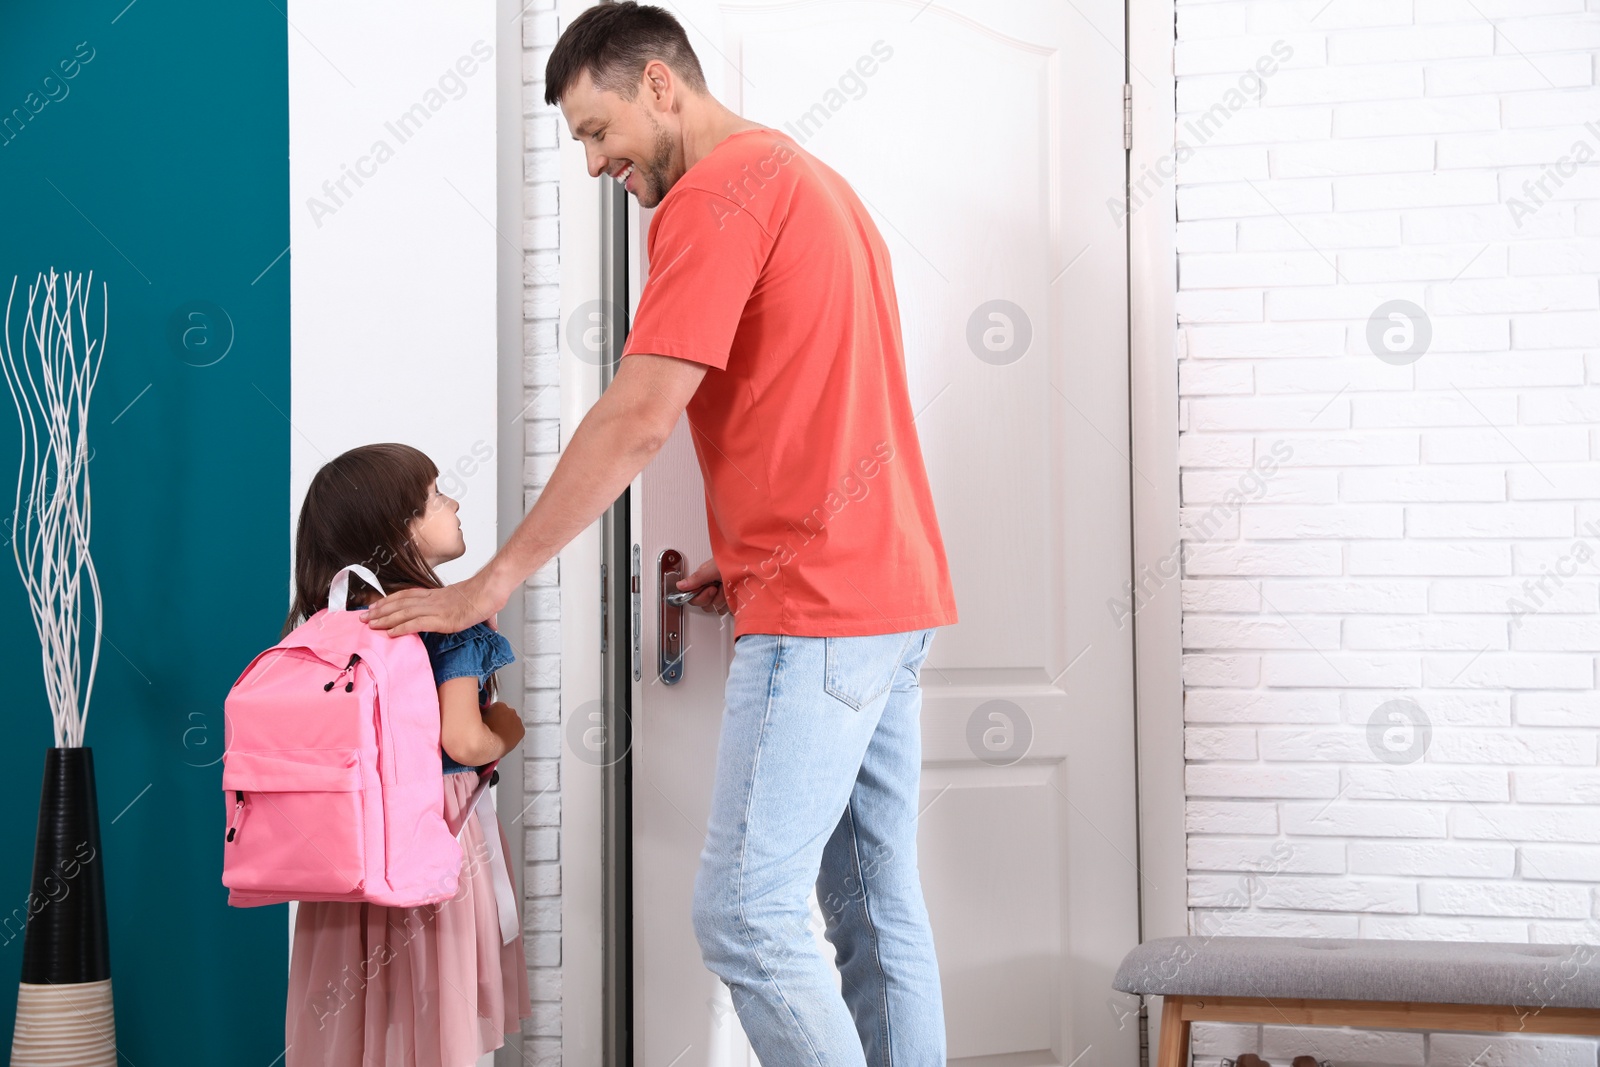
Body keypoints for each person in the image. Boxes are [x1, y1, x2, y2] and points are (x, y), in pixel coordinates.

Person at [363, 3, 959, 1064]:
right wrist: (763, 541)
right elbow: (829, 392)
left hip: (821, 616)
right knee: (873, 914)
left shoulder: (714, 196)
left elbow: (640, 415)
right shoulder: (813, 183)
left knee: (744, 915)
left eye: (597, 133)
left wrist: (487, 583)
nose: (594, 164)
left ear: (657, 84)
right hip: (890, 595)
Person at [281, 443, 533, 1067]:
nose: (453, 502)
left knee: (360, 1008)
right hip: (431, 828)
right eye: (436, 496)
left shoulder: (326, 627)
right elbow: (463, 741)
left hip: (348, 842)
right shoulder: (450, 622)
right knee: (435, 999)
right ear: (399, 531)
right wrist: (509, 729)